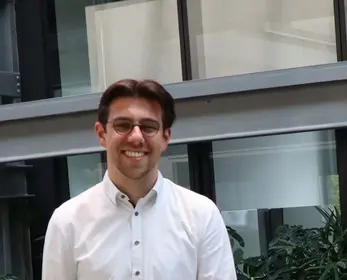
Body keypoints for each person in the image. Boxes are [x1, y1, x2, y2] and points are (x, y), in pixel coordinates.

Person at [41, 79, 237, 280]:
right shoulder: (68, 222)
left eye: (148, 127)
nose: (136, 137)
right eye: (123, 125)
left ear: (165, 137)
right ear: (102, 134)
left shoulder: (202, 216)